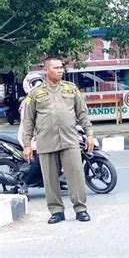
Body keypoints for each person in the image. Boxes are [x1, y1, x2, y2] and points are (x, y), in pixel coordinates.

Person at [22, 57, 95, 224]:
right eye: (56, 68)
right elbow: (28, 121)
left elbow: (82, 113)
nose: (60, 70)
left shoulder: (71, 89)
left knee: (75, 175)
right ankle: (56, 211)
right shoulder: (35, 94)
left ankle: (80, 209)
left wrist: (89, 133)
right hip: (46, 142)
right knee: (50, 179)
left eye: (61, 67)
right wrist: (27, 145)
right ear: (46, 70)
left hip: (70, 140)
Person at [17, 72, 45, 194]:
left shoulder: (44, 98)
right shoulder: (27, 102)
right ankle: (25, 184)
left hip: (43, 135)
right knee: (40, 161)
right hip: (31, 136)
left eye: (39, 82)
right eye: (35, 83)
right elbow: (27, 123)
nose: (38, 85)